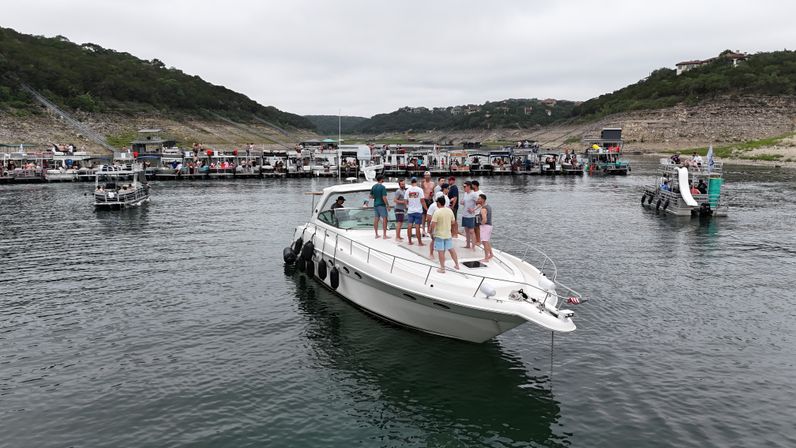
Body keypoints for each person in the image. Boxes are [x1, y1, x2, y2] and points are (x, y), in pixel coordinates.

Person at [430, 196, 460, 273]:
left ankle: (442, 268)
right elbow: (453, 222)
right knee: (451, 250)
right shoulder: (450, 211)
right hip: (448, 234)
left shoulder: (437, 212)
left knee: (441, 251)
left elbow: (433, 224)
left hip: (439, 235)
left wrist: (431, 233)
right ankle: (457, 265)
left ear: (438, 203)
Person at [405, 178, 426, 246]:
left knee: (409, 225)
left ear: (411, 182)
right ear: (416, 182)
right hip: (418, 211)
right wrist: (427, 209)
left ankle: (409, 241)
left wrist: (407, 206)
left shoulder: (408, 190)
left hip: (410, 211)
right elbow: (422, 201)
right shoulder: (420, 190)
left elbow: (405, 200)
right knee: (417, 226)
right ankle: (419, 242)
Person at [370, 174, 390, 239]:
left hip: (375, 204)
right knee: (385, 219)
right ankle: (384, 235)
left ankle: (376, 234)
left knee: (376, 219)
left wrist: (376, 197)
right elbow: (384, 197)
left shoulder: (373, 186)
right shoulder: (382, 187)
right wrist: (388, 205)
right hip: (381, 205)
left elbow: (370, 196)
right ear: (381, 179)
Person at [477, 194, 494, 263]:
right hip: (489, 226)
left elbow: (484, 220)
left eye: (479, 199)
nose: (478, 200)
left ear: (483, 200)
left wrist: (480, 223)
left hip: (485, 226)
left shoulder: (483, 209)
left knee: (484, 242)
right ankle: (491, 254)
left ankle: (486, 258)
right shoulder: (488, 206)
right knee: (487, 241)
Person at [460, 181, 477, 249]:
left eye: (465, 186)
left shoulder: (473, 194)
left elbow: (479, 203)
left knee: (471, 231)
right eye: (463, 187)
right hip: (464, 214)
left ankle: (473, 246)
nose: (463, 188)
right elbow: (463, 201)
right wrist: (462, 202)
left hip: (470, 215)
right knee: (466, 230)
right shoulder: (465, 193)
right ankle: (468, 245)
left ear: (469, 186)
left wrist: (473, 209)